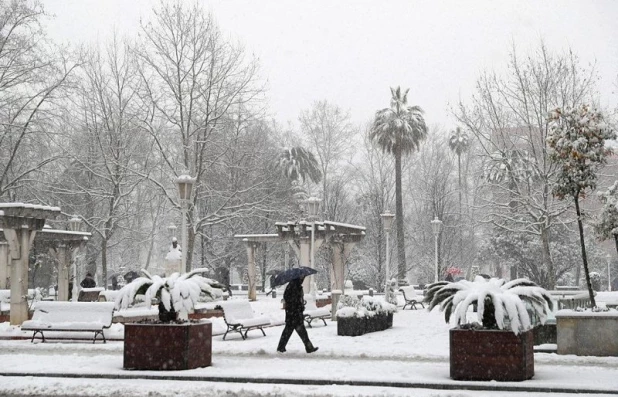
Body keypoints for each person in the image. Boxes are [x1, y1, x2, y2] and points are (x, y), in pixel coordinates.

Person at [276, 277, 318, 353]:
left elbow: (294, 299)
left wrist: (300, 303)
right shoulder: (294, 286)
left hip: (293, 314)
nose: (303, 279)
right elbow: (291, 300)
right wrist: (299, 305)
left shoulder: (295, 285)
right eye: (302, 278)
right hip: (294, 314)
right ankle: (309, 348)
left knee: (289, 332)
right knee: (300, 332)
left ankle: (281, 347)